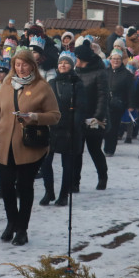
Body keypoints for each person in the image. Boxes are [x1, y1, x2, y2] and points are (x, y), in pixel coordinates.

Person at [0, 48, 60, 246]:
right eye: (17, 65)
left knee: (25, 187)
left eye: (24, 64)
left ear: (32, 65)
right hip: (5, 144)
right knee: (6, 187)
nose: (21, 68)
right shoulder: (7, 85)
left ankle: (22, 229)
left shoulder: (42, 87)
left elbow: (55, 115)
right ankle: (12, 222)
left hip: (30, 146)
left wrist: (35, 117)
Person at [38, 51, 87, 206]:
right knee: (45, 161)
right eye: (60, 63)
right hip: (51, 128)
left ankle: (64, 194)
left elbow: (81, 107)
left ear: (71, 65)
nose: (63, 65)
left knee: (67, 164)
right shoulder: (51, 83)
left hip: (69, 128)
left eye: (66, 63)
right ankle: (49, 191)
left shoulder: (77, 84)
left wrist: (74, 124)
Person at [73, 40, 110, 190]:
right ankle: (75, 182)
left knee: (94, 150)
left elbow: (103, 97)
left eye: (76, 57)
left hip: (94, 118)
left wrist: (97, 117)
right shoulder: (75, 73)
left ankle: (102, 176)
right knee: (77, 152)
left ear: (82, 59)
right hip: (78, 118)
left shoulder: (99, 73)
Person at [104, 49, 133, 157]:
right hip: (105, 103)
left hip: (118, 104)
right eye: (113, 58)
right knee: (105, 126)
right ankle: (106, 146)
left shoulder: (127, 74)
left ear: (121, 60)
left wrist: (130, 105)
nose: (115, 61)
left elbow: (130, 91)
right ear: (110, 59)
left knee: (113, 127)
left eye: (118, 59)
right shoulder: (105, 72)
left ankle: (110, 149)